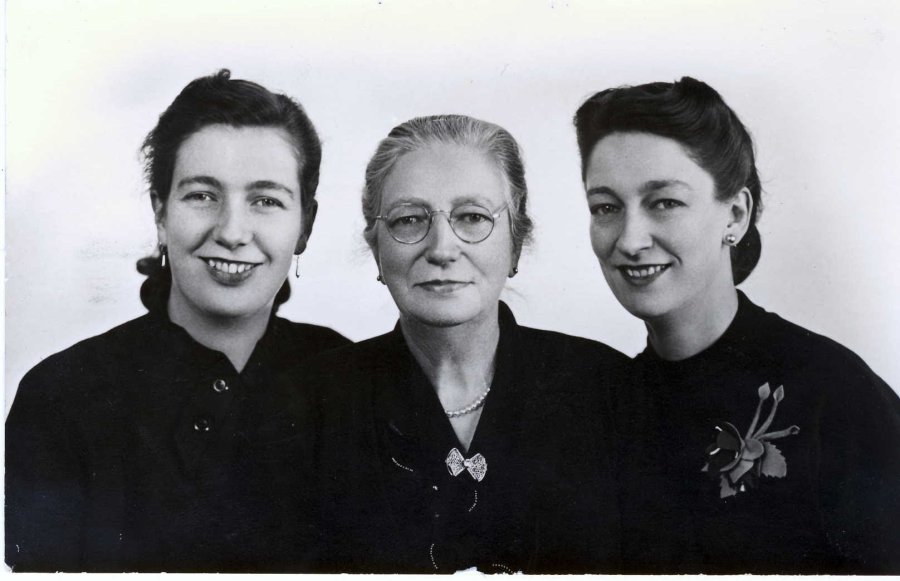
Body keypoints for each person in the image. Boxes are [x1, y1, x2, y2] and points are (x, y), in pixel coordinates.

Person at [5, 69, 349, 572]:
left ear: (305, 227)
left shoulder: (354, 381)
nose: (232, 232)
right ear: (161, 214)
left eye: (266, 200)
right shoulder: (61, 396)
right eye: (202, 195)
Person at [573, 77, 900, 574]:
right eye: (606, 208)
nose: (630, 240)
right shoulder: (603, 406)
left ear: (736, 215)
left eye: (664, 202)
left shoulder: (832, 392)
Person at [291, 114, 627, 573]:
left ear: (515, 243)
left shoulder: (610, 391)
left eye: (472, 217)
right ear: (377, 250)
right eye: (409, 219)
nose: (442, 249)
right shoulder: (306, 406)